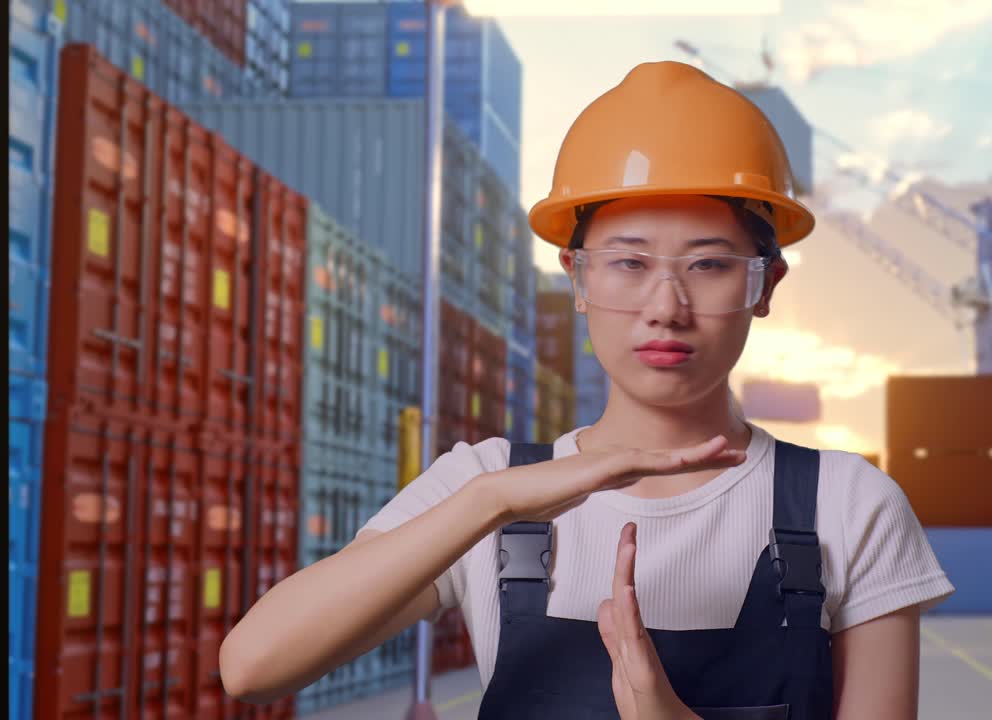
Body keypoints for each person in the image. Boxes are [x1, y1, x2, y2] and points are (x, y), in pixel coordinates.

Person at [219, 61, 954, 718]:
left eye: (708, 264)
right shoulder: (488, 484)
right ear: (577, 279)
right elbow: (254, 667)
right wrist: (494, 500)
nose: (665, 306)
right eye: (628, 264)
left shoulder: (850, 506)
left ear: (766, 287)